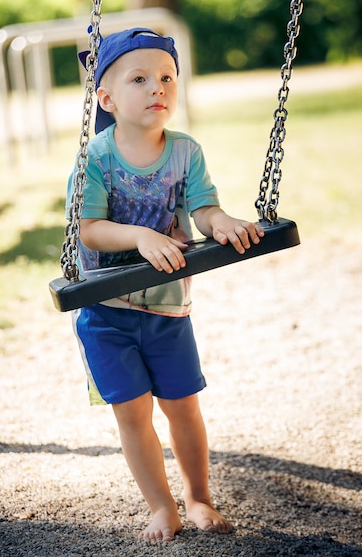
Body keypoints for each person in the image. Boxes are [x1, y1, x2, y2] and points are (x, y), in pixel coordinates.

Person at [67, 27, 264, 543]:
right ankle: (161, 506)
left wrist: (220, 222)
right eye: (140, 78)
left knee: (183, 406)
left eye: (167, 77)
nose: (158, 86)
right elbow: (87, 230)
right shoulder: (96, 159)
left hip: (167, 309)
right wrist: (139, 234)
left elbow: (204, 208)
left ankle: (198, 497)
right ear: (106, 98)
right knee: (133, 414)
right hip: (105, 309)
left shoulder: (184, 152)